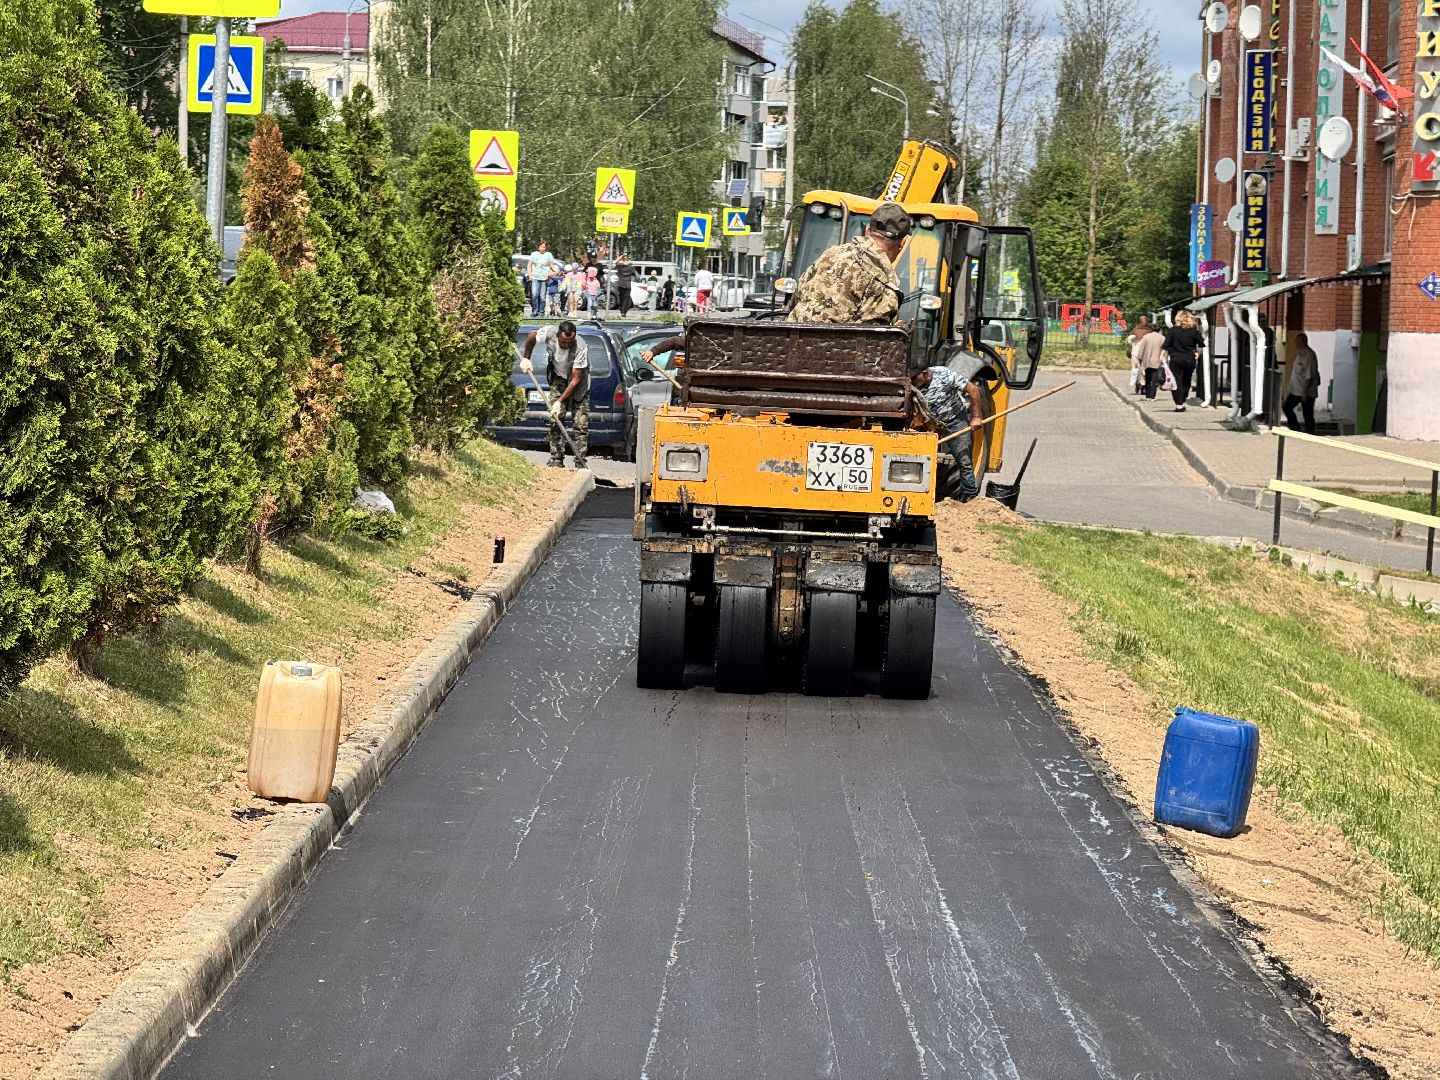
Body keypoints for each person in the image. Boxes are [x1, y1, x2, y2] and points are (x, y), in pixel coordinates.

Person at [786, 201, 912, 325]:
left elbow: (796, 296)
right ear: (903, 242)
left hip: (794, 341)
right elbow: (874, 339)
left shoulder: (831, 253)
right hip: (836, 344)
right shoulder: (885, 282)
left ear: (867, 230)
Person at [519, 320, 589, 469]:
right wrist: (526, 358)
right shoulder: (549, 333)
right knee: (556, 419)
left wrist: (559, 401)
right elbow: (532, 336)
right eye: (563, 341)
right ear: (557, 336)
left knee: (580, 425)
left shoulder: (581, 348)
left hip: (578, 385)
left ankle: (580, 462)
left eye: (570, 342)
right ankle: (556, 459)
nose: (566, 345)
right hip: (558, 379)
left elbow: (576, 380)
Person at [912, 363, 984, 501]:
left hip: (955, 421)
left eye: (915, 379)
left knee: (964, 461)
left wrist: (976, 417)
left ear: (925, 374)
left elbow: (973, 390)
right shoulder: (911, 386)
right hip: (928, 424)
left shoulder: (944, 374)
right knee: (921, 459)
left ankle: (971, 498)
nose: (912, 382)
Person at [1161, 310, 1204, 411]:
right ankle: (1183, 399)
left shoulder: (1173, 330)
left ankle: (1179, 404)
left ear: (1178, 318)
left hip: (1176, 359)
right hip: (1190, 359)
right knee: (1186, 380)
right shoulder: (1194, 331)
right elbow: (1201, 344)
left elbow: (1166, 345)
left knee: (1176, 381)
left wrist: (1163, 357)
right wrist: (1197, 353)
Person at [1284, 331, 1321, 434]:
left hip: (1306, 391)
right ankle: (1295, 429)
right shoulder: (1300, 354)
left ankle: (1310, 434)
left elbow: (1309, 376)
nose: (1295, 344)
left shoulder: (1310, 355)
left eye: (1297, 342)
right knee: (1287, 407)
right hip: (1296, 390)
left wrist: (1305, 392)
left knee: (1307, 414)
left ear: (1302, 342)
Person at [1134, 322, 1166, 400]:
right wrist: (1164, 360)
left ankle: (1148, 395)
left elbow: (1142, 349)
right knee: (1154, 379)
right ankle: (1153, 396)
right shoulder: (1162, 338)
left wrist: (1139, 358)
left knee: (1148, 379)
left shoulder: (1146, 337)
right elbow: (1165, 350)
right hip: (1156, 360)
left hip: (1146, 360)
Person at [526, 242, 554, 317]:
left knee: (542, 296)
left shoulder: (548, 255)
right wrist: (530, 275)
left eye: (544, 247)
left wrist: (549, 274)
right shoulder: (534, 254)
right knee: (534, 294)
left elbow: (552, 267)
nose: (542, 248)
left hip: (544, 278)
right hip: (535, 277)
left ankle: (541, 311)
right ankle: (535, 310)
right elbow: (529, 265)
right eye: (541, 246)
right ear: (538, 247)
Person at [1127, 315, 1152, 394]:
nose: (1144, 322)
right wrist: (1135, 337)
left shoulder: (1149, 330)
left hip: (1145, 353)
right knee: (1136, 369)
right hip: (1136, 353)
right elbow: (1129, 340)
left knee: (1144, 370)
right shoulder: (1136, 330)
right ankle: (1138, 383)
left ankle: (1143, 385)